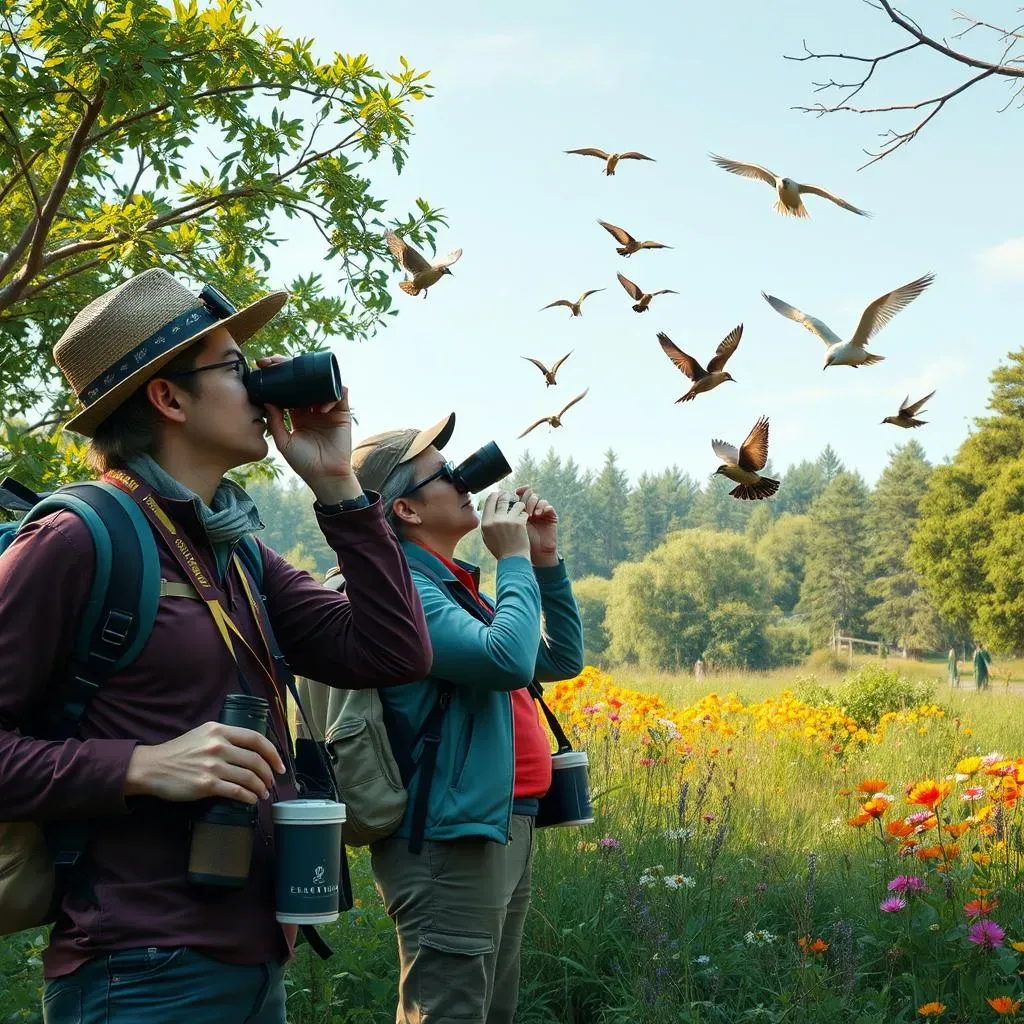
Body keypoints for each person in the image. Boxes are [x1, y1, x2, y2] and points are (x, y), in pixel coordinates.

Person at [0, 269, 432, 1024]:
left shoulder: (232, 549)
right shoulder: (76, 538)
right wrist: (140, 765)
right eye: (237, 369)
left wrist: (338, 487)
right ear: (168, 398)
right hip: (136, 970)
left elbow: (390, 652)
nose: (267, 387)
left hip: (253, 956)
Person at [327, 415, 585, 1024]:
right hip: (444, 835)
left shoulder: (450, 586)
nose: (464, 478)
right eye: (444, 473)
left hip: (498, 820)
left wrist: (543, 561)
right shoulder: (405, 592)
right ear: (406, 512)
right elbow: (506, 658)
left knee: (490, 1008)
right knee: (448, 1011)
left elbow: (557, 659)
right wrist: (514, 559)